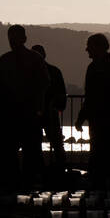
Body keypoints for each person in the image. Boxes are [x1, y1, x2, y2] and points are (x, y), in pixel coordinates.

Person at [0, 25, 49, 192]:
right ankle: (22, 185)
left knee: (22, 152)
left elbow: (43, 84)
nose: (12, 42)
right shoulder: (32, 58)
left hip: (22, 113)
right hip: (17, 114)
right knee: (22, 153)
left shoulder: (10, 59)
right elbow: (44, 84)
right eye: (11, 38)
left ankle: (20, 185)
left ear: (23, 39)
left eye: (14, 38)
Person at [75, 33, 110, 192]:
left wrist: (81, 118)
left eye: (89, 46)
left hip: (102, 121)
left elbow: (90, 96)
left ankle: (101, 189)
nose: (87, 50)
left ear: (97, 47)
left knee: (100, 156)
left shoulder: (94, 68)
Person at [31, 44, 68, 175]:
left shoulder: (29, 73)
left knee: (34, 144)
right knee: (57, 144)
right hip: (50, 113)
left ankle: (38, 171)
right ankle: (61, 170)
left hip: (36, 113)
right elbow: (62, 93)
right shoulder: (54, 71)